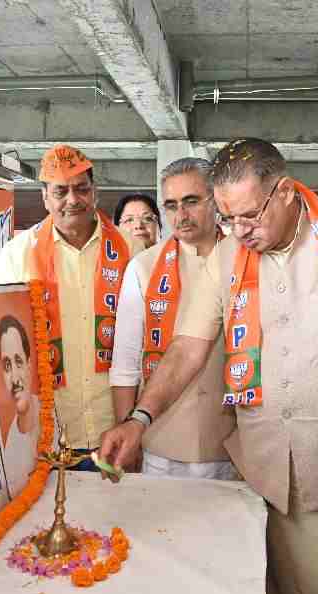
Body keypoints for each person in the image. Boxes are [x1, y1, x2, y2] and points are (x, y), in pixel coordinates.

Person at [100, 138, 318, 594]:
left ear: (285, 191)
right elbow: (187, 348)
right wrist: (138, 418)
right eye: (228, 218)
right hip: (266, 475)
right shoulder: (226, 256)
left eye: (250, 215)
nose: (240, 230)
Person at [0, 144, 143, 470]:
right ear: (45, 197)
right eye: (60, 191)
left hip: (115, 431)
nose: (72, 200)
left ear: (94, 192)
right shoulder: (16, 256)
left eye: (81, 189)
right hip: (46, 437)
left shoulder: (131, 250)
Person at [109, 157, 237, 479]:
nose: (180, 215)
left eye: (191, 201)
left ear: (216, 200)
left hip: (234, 444)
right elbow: (125, 363)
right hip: (160, 442)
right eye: (170, 205)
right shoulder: (143, 267)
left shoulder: (245, 258)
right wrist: (128, 432)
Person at [0, 315, 41, 496]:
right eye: (7, 366)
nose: (14, 377)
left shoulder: (54, 413)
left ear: (29, 365)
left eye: (18, 362)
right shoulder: (10, 456)